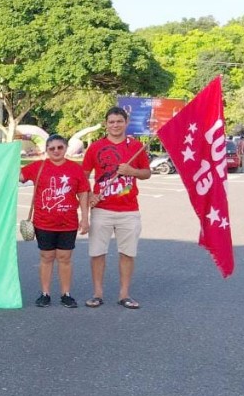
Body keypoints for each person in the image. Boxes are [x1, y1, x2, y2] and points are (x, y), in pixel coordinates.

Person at [82, 107, 151, 309]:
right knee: (97, 252)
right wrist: (91, 196)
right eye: (111, 122)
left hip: (128, 210)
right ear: (106, 124)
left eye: (119, 121)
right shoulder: (95, 147)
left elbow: (147, 173)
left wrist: (132, 171)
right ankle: (97, 293)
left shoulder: (136, 147)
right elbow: (82, 177)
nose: (115, 125)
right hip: (102, 209)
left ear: (126, 123)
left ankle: (124, 294)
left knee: (127, 253)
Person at [19, 134, 90, 308]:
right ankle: (45, 293)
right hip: (44, 222)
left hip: (68, 222)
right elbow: (17, 176)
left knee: (65, 258)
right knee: (46, 256)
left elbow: (83, 193)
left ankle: (66, 293)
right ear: (46, 150)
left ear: (66, 148)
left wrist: (85, 218)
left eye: (60, 147)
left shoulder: (75, 169)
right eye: (52, 148)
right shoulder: (38, 166)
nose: (56, 151)